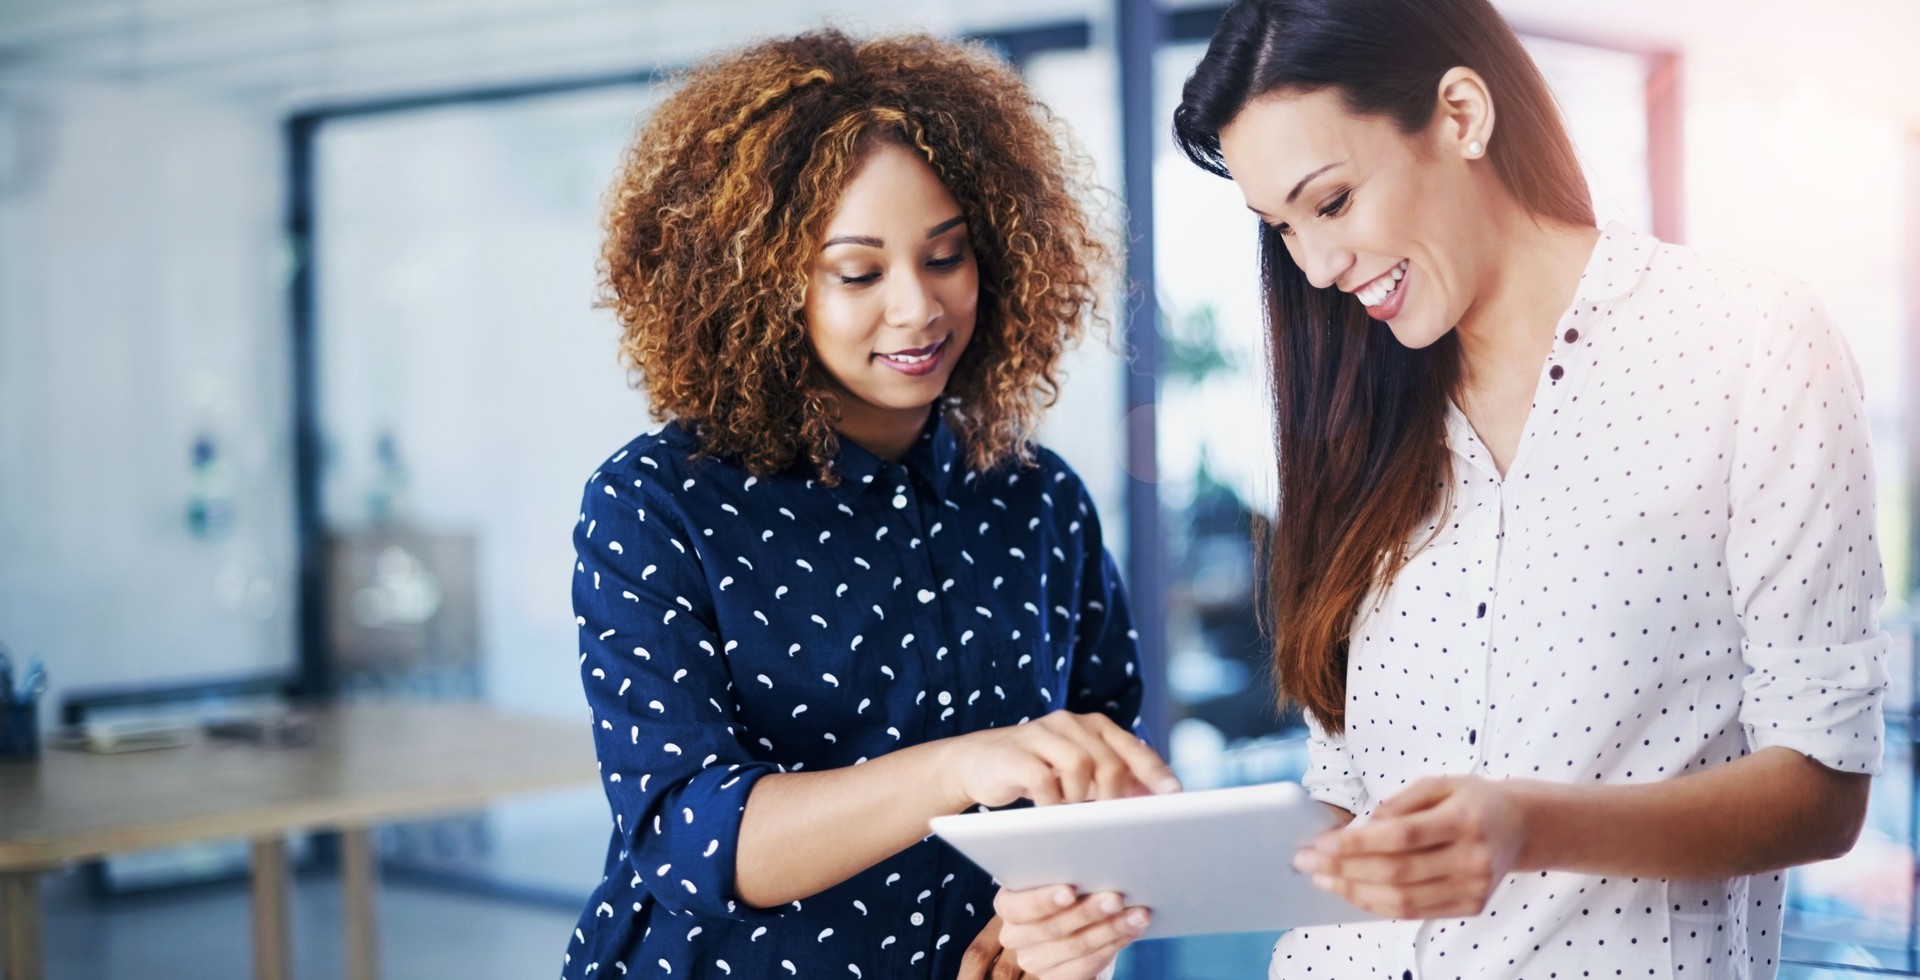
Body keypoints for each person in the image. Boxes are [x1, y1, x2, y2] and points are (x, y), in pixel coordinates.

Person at [995, 0, 1891, 977]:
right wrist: (1128, 878)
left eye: (1330, 202)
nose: (1319, 267)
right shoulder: (1356, 410)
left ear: (1461, 114)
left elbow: (1823, 779)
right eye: (1280, 227)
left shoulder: (1746, 340)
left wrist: (1528, 826)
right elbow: (1347, 801)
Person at [561, 29, 1179, 980]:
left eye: (946, 257)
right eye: (858, 273)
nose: (918, 309)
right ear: (760, 286)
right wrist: (962, 767)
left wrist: (1062, 924)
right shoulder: (655, 504)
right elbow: (693, 838)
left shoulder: (1039, 500)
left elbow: (1108, 768)